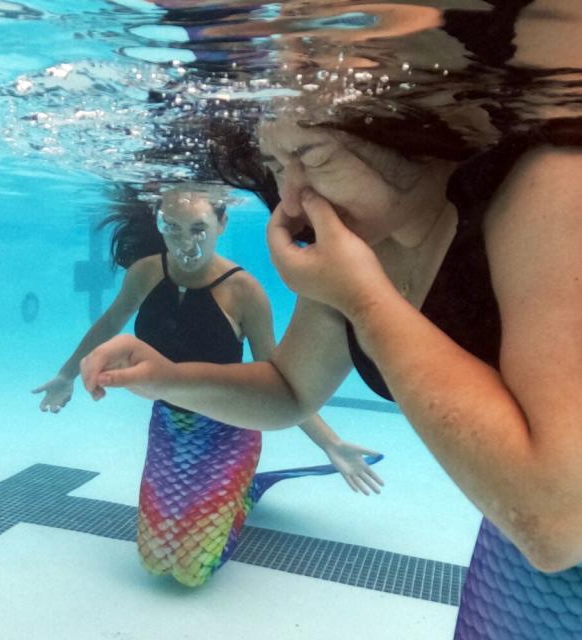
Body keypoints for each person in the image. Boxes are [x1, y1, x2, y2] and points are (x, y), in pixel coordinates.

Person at [80, 105, 582, 635]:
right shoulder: (357, 242)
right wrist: (166, 378)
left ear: (402, 125)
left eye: (313, 157)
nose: (292, 203)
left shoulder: (547, 183)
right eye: (275, 166)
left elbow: (557, 521)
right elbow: (291, 387)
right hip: (514, 534)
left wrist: (365, 302)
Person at [34, 183, 383, 587]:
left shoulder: (243, 291)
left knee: (191, 573)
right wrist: (66, 374)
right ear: (159, 223)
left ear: (222, 223)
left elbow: (280, 379)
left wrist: (329, 442)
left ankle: (244, 490)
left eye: (198, 229)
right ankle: (238, 492)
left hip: (230, 430)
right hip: (168, 428)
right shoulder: (145, 273)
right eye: (173, 228)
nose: (185, 243)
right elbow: (109, 324)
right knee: (154, 563)